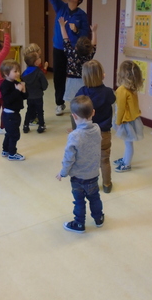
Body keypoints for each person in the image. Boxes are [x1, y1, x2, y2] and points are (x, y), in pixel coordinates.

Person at [56, 95, 104, 233]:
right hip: (93, 174)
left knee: (79, 201)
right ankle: (98, 218)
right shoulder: (97, 129)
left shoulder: (74, 136)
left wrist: (63, 172)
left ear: (74, 117)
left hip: (78, 178)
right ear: (93, 112)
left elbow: (69, 158)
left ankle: (79, 224)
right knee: (95, 197)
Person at [47, 0, 89, 116]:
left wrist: (77, 31)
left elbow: (86, 34)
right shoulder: (61, 8)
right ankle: (59, 103)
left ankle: (77, 103)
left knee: (75, 77)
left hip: (75, 51)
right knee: (58, 76)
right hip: (59, 48)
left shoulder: (82, 15)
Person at [76, 60, 116, 193]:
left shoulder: (82, 93)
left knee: (87, 160)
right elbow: (113, 100)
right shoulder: (108, 92)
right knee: (104, 159)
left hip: (86, 133)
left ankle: (89, 184)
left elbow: (75, 111)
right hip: (104, 132)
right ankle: (107, 184)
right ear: (102, 75)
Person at [58, 17, 97, 129]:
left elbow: (65, 40)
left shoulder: (71, 53)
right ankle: (87, 125)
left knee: (74, 107)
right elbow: (94, 45)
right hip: (85, 82)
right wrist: (94, 32)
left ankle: (75, 128)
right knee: (85, 105)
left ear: (76, 46)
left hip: (72, 82)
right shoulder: (89, 55)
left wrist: (62, 26)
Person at [112, 61, 144, 172]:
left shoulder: (121, 90)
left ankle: (127, 164)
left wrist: (117, 122)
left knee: (128, 143)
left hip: (125, 121)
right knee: (127, 143)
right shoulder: (133, 89)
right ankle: (125, 159)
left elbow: (120, 109)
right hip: (132, 120)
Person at [0, 59, 28, 161]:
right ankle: (12, 153)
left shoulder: (16, 83)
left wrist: (23, 90)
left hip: (15, 114)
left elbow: (24, 97)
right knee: (14, 134)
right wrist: (17, 90)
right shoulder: (4, 86)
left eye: (18, 71)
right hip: (9, 115)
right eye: (15, 71)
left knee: (9, 133)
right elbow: (8, 100)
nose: (18, 73)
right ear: (6, 74)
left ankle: (5, 150)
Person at [21, 48, 48, 134]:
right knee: (40, 111)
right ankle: (41, 125)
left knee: (29, 110)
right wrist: (42, 89)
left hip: (29, 96)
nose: (40, 58)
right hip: (38, 95)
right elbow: (45, 85)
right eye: (39, 57)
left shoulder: (24, 74)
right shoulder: (39, 72)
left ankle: (26, 125)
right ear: (36, 62)